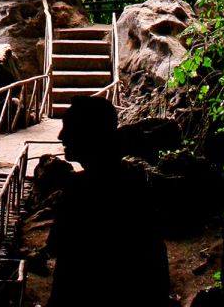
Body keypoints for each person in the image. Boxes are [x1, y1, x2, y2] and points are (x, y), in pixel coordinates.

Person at [45, 96, 171, 307]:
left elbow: (58, 248)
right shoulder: (134, 184)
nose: (61, 136)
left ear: (89, 135)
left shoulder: (80, 191)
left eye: (69, 128)